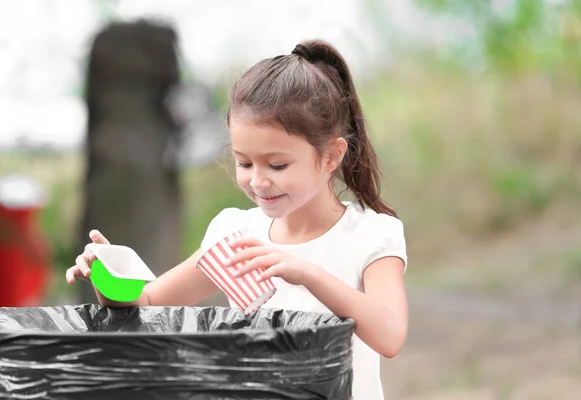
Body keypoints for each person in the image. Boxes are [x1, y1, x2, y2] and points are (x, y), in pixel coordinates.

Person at [66, 39, 408, 400]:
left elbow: (390, 336)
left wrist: (306, 273)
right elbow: (148, 306)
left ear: (331, 156)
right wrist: (109, 274)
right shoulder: (237, 234)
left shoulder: (371, 235)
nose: (258, 181)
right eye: (245, 163)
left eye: (277, 165)